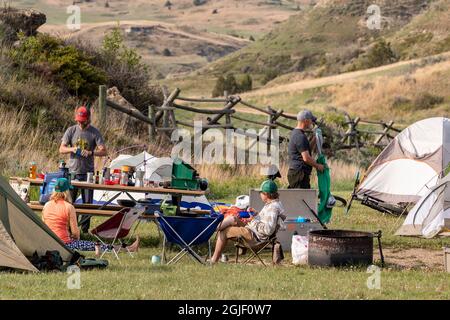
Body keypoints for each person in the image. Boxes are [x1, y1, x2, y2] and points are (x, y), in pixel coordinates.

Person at [42, 178, 139, 255]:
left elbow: (44, 226)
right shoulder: (69, 207)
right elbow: (76, 233)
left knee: (94, 245)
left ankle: (128, 248)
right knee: (96, 245)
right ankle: (129, 248)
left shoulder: (46, 205)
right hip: (65, 243)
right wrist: (73, 237)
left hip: (48, 242)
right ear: (66, 191)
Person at [211, 180, 286, 264]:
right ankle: (214, 228)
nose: (260, 195)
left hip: (255, 238)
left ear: (267, 194)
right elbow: (265, 221)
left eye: (260, 193)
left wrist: (253, 220)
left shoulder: (273, 208)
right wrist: (256, 215)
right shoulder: (274, 204)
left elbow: (268, 230)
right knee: (233, 219)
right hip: (254, 231)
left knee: (224, 231)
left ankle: (213, 260)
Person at [59, 106, 107, 233]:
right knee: (70, 203)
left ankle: (84, 231)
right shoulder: (71, 130)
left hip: (88, 174)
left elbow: (104, 151)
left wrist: (91, 153)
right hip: (72, 172)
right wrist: (72, 149)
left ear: (88, 119)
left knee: (87, 205)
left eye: (82, 120)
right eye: (78, 120)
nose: (80, 122)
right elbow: (61, 149)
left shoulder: (94, 132)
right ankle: (69, 231)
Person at [287, 109, 324, 189]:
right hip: (299, 173)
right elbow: (306, 158)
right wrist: (317, 166)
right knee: (302, 199)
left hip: (297, 173)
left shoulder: (296, 133)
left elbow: (306, 150)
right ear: (306, 121)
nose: (312, 123)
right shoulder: (300, 136)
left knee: (301, 199)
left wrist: (315, 137)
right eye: (311, 120)